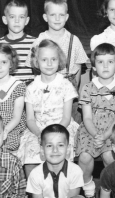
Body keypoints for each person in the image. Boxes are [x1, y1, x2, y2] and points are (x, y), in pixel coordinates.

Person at [16, 40, 79, 178]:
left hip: (62, 127)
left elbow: (67, 117)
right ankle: (36, 194)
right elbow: (30, 119)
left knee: (60, 152)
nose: (49, 64)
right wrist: (39, 133)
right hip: (38, 129)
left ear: (59, 61)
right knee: (30, 157)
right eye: (44, 59)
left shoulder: (65, 85)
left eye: (53, 59)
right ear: (37, 62)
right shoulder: (31, 87)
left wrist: (54, 133)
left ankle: (61, 191)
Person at [75, 43, 115, 198]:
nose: (105, 66)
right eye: (100, 62)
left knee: (109, 157)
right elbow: (87, 117)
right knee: (85, 156)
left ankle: (110, 191)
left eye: (110, 62)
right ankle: (89, 190)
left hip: (112, 130)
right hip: (91, 130)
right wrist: (97, 135)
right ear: (94, 67)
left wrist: (104, 136)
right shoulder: (88, 88)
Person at [25, 0, 88, 89]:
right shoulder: (38, 42)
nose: (57, 19)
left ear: (66, 17)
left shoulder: (74, 41)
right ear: (45, 17)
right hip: (45, 92)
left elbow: (77, 71)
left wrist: (74, 95)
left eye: (61, 15)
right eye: (53, 15)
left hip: (67, 93)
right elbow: (35, 71)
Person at [0, 0, 36, 84]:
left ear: (26, 20)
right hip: (7, 90)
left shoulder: (35, 43)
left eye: (21, 17)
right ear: (5, 20)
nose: (17, 21)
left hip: (30, 91)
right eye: (12, 17)